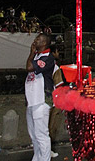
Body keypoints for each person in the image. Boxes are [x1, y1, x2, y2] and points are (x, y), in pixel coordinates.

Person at [25, 33, 54, 161]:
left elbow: (29, 67)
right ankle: (37, 158)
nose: (35, 40)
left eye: (38, 39)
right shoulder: (38, 56)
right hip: (32, 101)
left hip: (41, 100)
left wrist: (31, 53)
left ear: (44, 43)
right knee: (34, 135)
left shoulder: (47, 57)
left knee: (41, 135)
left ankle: (45, 159)